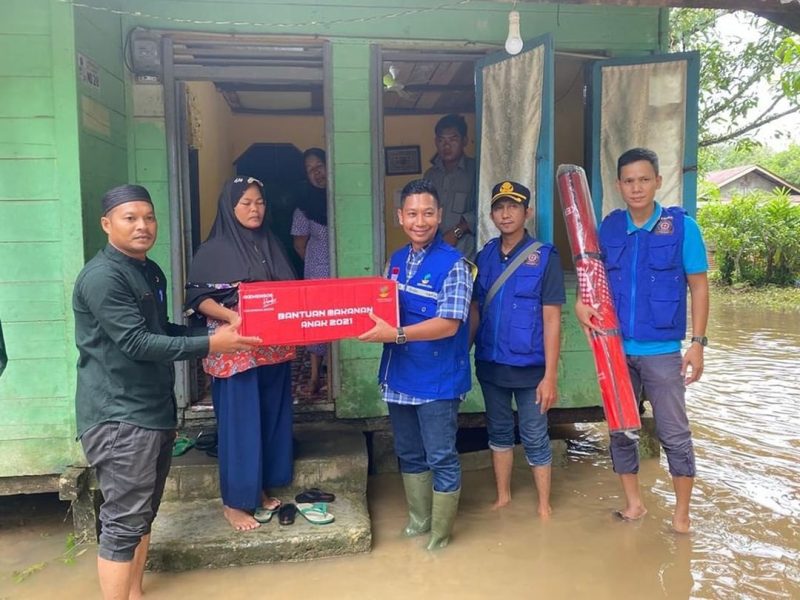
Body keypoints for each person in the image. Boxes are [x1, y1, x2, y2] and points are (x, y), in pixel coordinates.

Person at [73, 184, 261, 600]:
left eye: (149, 217)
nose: (142, 226)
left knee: (141, 517)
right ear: (107, 224)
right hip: (119, 415)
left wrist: (213, 330)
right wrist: (213, 344)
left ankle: (134, 593)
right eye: (130, 218)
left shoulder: (148, 270)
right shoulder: (104, 277)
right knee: (124, 522)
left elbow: (160, 331)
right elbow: (138, 343)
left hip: (151, 410)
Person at [575, 147, 709, 534]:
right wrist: (582, 304)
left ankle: (682, 516)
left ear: (658, 182)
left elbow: (699, 287)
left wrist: (698, 343)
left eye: (644, 179)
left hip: (662, 352)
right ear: (619, 185)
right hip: (615, 350)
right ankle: (634, 505)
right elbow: (591, 280)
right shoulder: (610, 227)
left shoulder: (682, 227)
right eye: (629, 181)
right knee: (620, 430)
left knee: (674, 433)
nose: (636, 188)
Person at [358, 178, 473, 550]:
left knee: (440, 454)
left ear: (439, 216)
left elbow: (450, 323)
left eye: (427, 213)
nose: (419, 221)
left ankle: (440, 534)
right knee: (408, 451)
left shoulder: (455, 265)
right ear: (400, 216)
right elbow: (382, 309)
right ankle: (419, 520)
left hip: (437, 380)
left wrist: (397, 334)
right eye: (412, 213)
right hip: (399, 376)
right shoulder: (395, 260)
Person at [185, 176, 298, 532]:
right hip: (235, 350)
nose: (255, 209)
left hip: (272, 347)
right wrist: (233, 315)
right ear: (230, 206)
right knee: (240, 423)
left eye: (260, 201)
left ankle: (260, 486)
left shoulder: (271, 243)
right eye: (246, 202)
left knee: (268, 416)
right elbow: (197, 298)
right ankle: (235, 502)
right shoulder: (213, 249)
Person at [470, 181, 565, 518]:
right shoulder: (484, 256)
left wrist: (550, 376)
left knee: (535, 435)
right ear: (492, 214)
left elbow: (552, 319)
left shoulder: (545, 257)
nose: (505, 213)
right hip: (492, 365)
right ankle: (504, 498)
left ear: (527, 212)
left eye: (513, 206)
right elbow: (476, 310)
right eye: (499, 207)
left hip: (531, 370)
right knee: (497, 432)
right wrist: (464, 352)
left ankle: (543, 506)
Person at [291, 147, 330, 395]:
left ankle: (336, 375)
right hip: (317, 271)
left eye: (319, 166)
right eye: (310, 170)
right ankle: (315, 378)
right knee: (317, 324)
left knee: (342, 320)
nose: (316, 173)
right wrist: (316, 265)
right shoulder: (304, 206)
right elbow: (299, 242)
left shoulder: (343, 198)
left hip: (345, 273)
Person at [423, 114, 477, 260]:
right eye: (441, 140)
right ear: (435, 142)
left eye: (453, 139)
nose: (446, 146)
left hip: (466, 252)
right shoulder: (430, 176)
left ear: (464, 141)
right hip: (433, 249)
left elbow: (484, 209)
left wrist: (457, 231)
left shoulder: (475, 171)